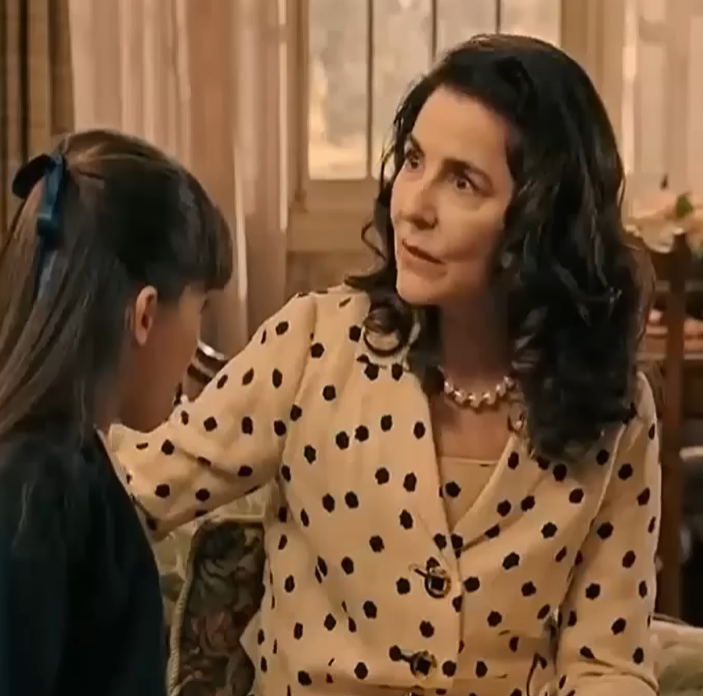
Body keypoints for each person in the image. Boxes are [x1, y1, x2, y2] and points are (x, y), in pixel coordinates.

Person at [116, 34, 660, 696]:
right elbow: (129, 493)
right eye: (413, 160)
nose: (412, 207)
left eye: (462, 181)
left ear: (543, 221)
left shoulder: (615, 411)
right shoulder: (315, 344)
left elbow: (605, 664)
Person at [0, 129, 232, 695]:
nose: (196, 343)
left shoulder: (64, 462)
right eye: (200, 307)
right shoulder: (37, 492)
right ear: (145, 313)